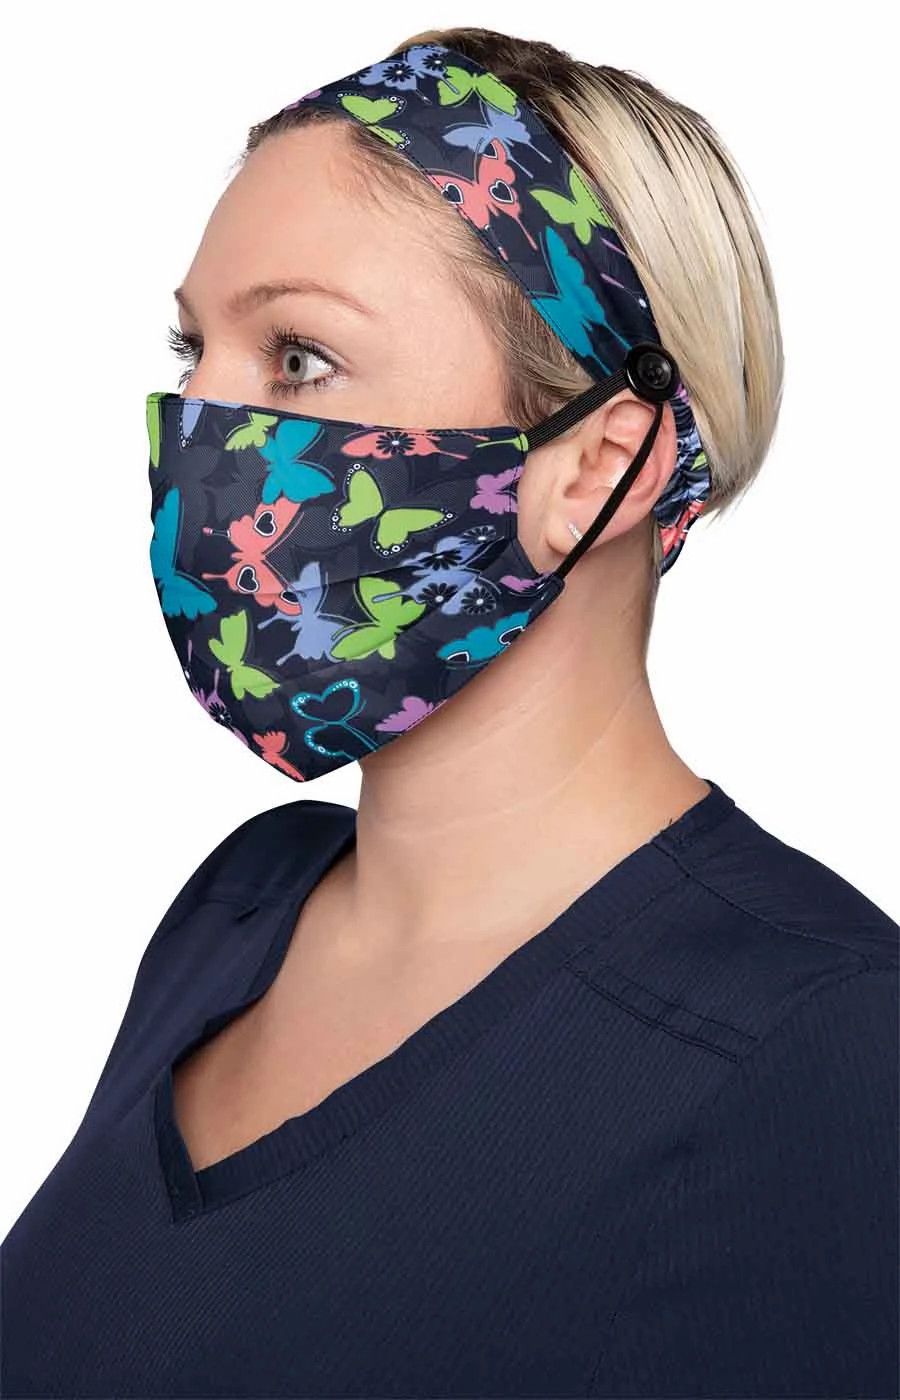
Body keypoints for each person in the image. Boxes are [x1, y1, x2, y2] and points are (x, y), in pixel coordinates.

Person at [2, 25, 897, 1400]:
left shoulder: (818, 1040)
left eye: (299, 357)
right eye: (195, 349)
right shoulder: (239, 910)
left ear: (596, 467)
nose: (195, 429)